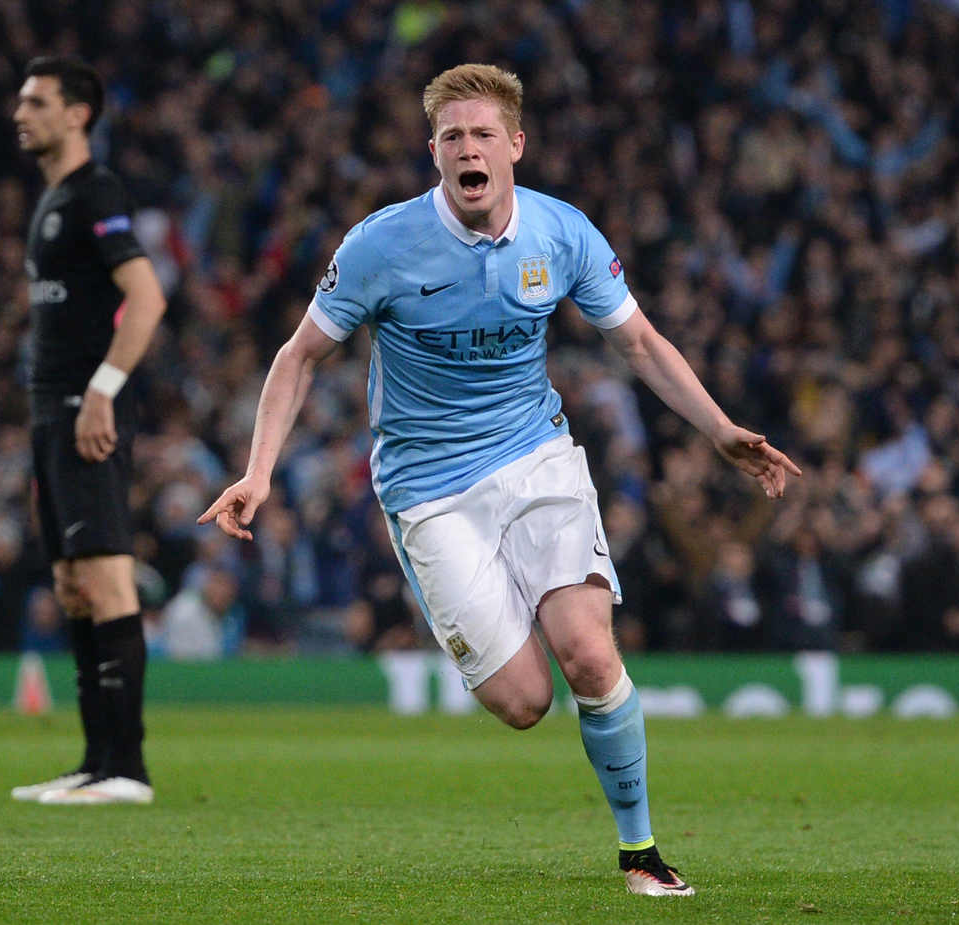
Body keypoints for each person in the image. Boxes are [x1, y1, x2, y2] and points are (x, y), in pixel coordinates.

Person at [200, 63, 801, 896]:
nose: (468, 149)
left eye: (484, 134)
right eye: (452, 137)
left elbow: (640, 344)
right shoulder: (381, 244)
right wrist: (257, 472)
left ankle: (642, 852)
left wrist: (721, 428)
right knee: (525, 701)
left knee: (590, 656)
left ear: (516, 145)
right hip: (427, 488)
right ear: (434, 152)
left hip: (533, 455)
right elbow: (298, 355)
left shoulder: (562, 234)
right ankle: (505, 603)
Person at [8, 56, 167, 806]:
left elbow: (146, 296)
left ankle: (127, 768)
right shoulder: (50, 201)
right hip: (49, 408)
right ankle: (94, 760)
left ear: (78, 113)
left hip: (81, 405)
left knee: (105, 576)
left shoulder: (95, 192)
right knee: (73, 583)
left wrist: (102, 389)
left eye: (37, 101)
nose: (21, 112)